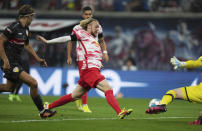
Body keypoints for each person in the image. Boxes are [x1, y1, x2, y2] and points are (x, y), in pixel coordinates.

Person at [37, 18, 133, 119]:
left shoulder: (93, 39)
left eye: (98, 27)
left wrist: (98, 63)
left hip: (91, 69)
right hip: (89, 70)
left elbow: (92, 53)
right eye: (96, 27)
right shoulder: (82, 34)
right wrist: (48, 42)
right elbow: (66, 38)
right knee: (108, 89)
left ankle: (48, 106)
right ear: (88, 27)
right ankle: (119, 112)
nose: (98, 29)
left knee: (74, 96)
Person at [0, 4, 56, 118]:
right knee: (33, 83)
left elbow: (27, 45)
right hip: (9, 62)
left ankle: (42, 112)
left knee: (9, 88)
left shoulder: (25, 29)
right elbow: (0, 41)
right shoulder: (13, 27)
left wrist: (38, 59)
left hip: (16, 61)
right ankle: (42, 111)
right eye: (32, 16)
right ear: (28, 16)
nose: (33, 19)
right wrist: (5, 60)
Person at [145, 56, 202, 125]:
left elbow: (197, 63)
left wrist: (182, 64)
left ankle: (162, 105)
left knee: (173, 92)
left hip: (199, 91)